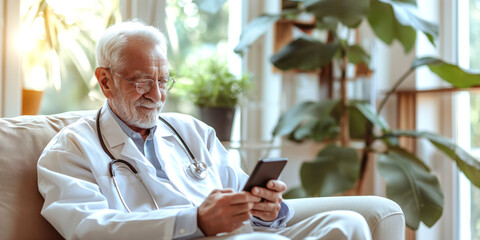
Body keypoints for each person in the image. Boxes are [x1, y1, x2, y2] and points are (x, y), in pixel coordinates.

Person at [37, 20, 372, 240]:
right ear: (105, 80)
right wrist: (194, 221)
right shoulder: (70, 150)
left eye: (162, 79)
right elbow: (87, 229)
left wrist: (267, 209)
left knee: (349, 223)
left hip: (240, 236)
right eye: (141, 81)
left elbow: (239, 195)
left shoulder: (192, 131)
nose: (156, 95)